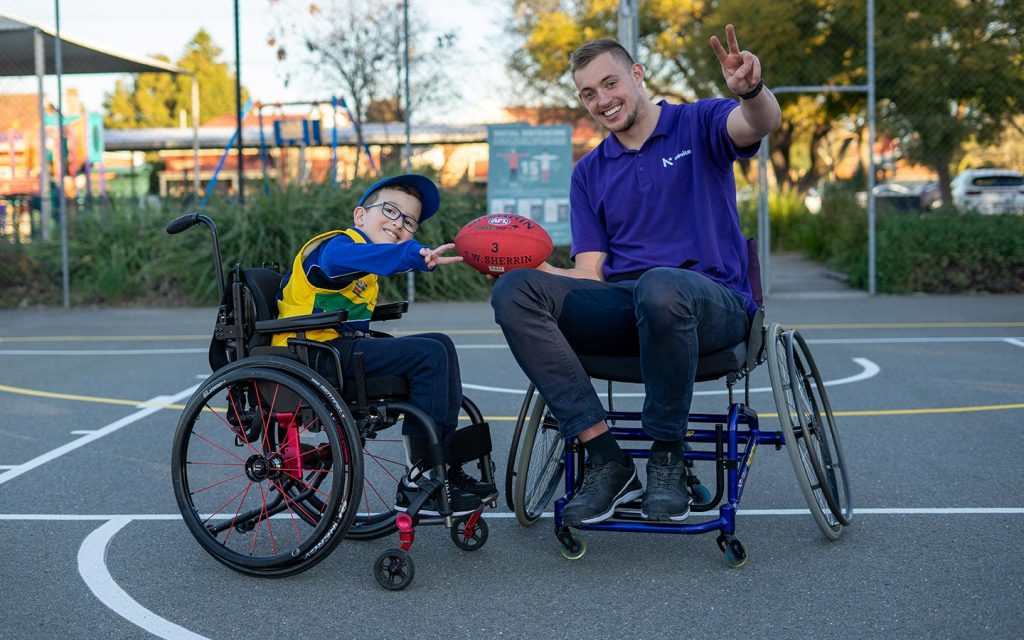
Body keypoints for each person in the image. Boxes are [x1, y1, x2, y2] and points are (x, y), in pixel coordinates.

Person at [491, 25, 781, 526]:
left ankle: (668, 453)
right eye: (588, 93)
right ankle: (606, 457)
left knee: (661, 286)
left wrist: (751, 92)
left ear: (637, 75)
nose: (601, 100)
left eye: (610, 83)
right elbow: (589, 273)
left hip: (712, 304)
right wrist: (528, 269)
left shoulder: (699, 122)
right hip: (631, 306)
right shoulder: (589, 173)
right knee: (514, 291)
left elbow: (757, 123)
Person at [273, 173, 496, 516]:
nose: (399, 223)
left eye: (409, 221)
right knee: (430, 352)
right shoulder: (337, 247)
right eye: (390, 211)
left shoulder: (366, 264)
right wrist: (410, 255)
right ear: (360, 215)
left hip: (336, 351)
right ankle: (420, 475)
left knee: (440, 344)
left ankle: (441, 466)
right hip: (309, 356)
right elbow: (341, 263)